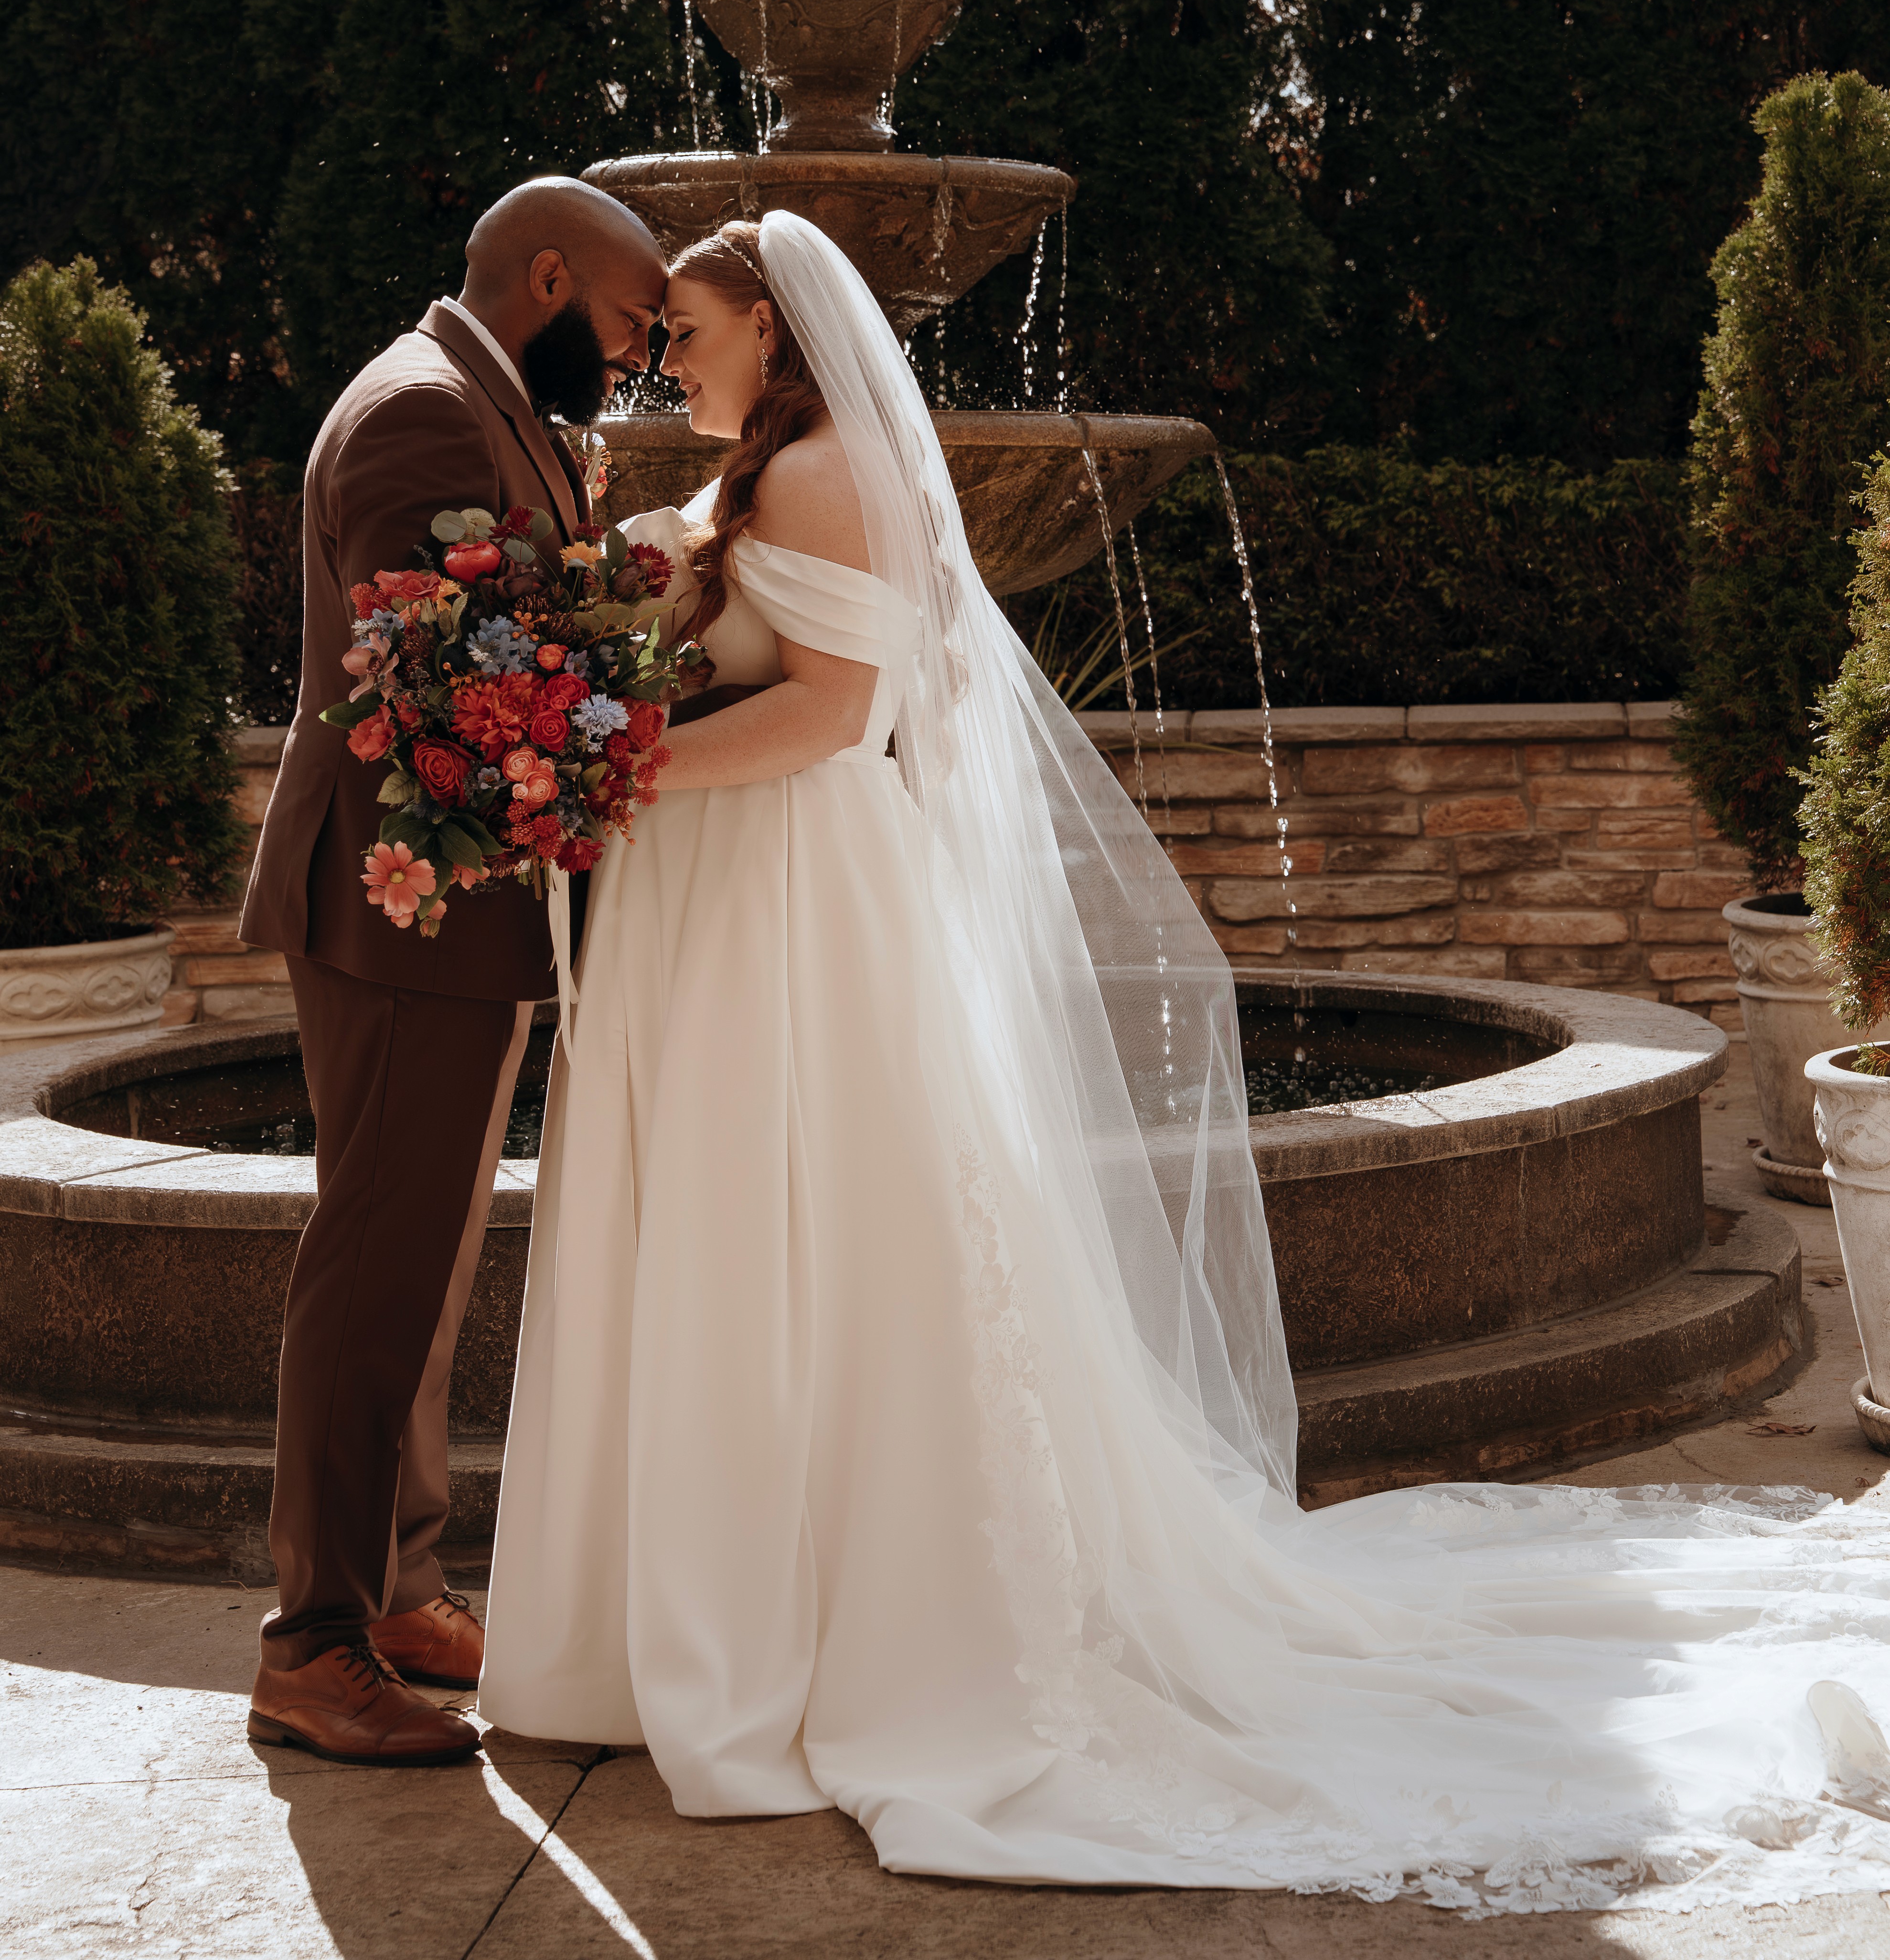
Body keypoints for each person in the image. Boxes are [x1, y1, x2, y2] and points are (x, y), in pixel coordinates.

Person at [482, 212, 1890, 1913]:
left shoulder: (818, 474)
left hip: (788, 900)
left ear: (775, 331)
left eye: (689, 329)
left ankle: (805, 1631)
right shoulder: (769, 473)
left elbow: (832, 715)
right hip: (732, 896)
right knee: (736, 1242)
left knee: (801, 1243)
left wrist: (604, 775)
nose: (664, 358)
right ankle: (706, 1618)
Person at [242, 175, 666, 1767]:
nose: (626, 363)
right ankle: (314, 1643)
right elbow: (465, 681)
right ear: (546, 278)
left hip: (451, 917)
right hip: (399, 914)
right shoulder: (422, 414)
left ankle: (401, 1591)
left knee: (418, 1273)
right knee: (373, 1268)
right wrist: (646, 677)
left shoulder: (486, 402)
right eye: (623, 327)